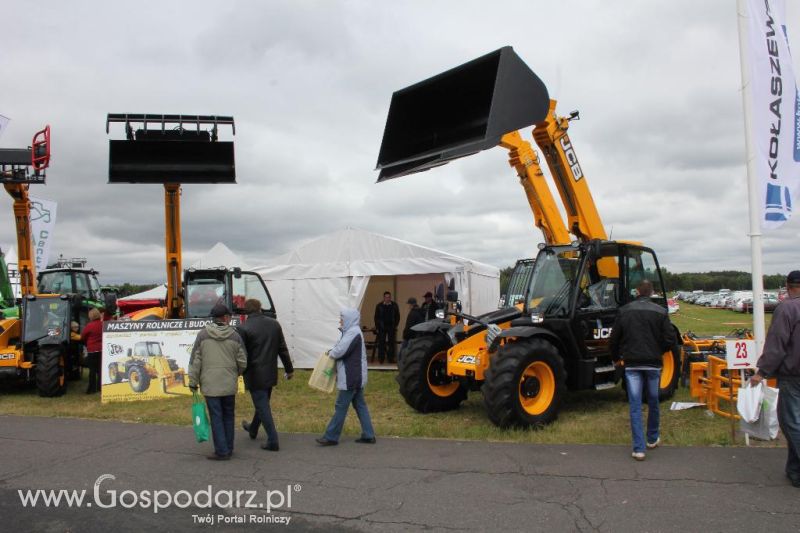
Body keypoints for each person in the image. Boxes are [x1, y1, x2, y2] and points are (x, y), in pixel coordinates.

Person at [609, 279, 676, 461]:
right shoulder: (661, 312)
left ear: (637, 291)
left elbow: (614, 339)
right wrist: (658, 351)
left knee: (635, 405)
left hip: (631, 364)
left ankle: (639, 448)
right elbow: (670, 340)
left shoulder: (624, 311)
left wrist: (616, 358)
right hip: (653, 364)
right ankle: (652, 438)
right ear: (652, 292)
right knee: (653, 400)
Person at [749, 270, 800, 488]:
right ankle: (794, 472)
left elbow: (777, 345)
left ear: (788, 286)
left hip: (793, 375)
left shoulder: (787, 308)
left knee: (791, 424)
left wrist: (762, 373)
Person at [188, 304, 248, 460]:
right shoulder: (235, 336)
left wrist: (193, 381)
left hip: (210, 385)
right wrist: (235, 373)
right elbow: (243, 362)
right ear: (226, 318)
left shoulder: (202, 335)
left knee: (216, 417)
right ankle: (228, 447)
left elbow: (195, 361)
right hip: (228, 384)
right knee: (229, 415)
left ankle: (222, 451)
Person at [237, 298, 294, 452]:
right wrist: (289, 369)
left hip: (254, 373)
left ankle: (273, 440)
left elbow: (241, 354)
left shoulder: (243, 328)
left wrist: (237, 371)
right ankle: (253, 428)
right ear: (260, 308)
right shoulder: (274, 324)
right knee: (262, 404)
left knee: (262, 406)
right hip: (270, 371)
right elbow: (282, 348)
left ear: (246, 311)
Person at [316, 308, 376, 446]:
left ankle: (331, 436)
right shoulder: (352, 332)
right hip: (356, 376)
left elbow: (339, 351)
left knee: (341, 406)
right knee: (360, 405)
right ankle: (368, 434)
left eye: (342, 318)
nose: (340, 320)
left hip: (351, 377)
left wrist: (329, 352)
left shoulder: (352, 332)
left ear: (349, 319)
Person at [80, 308, 103, 394]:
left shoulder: (89, 325)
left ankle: (92, 389)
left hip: (92, 350)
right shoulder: (102, 324)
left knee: (92, 371)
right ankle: (100, 387)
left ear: (91, 316)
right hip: (101, 350)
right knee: (100, 370)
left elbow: (83, 337)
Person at [373, 291, 400, 364]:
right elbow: (376, 317)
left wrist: (395, 325)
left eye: (389, 297)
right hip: (382, 327)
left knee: (391, 343)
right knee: (381, 343)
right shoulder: (379, 306)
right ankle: (381, 358)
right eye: (386, 297)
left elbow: (397, 316)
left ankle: (391, 358)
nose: (387, 299)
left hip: (391, 327)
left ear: (390, 298)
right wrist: (377, 327)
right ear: (384, 298)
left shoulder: (394, 305)